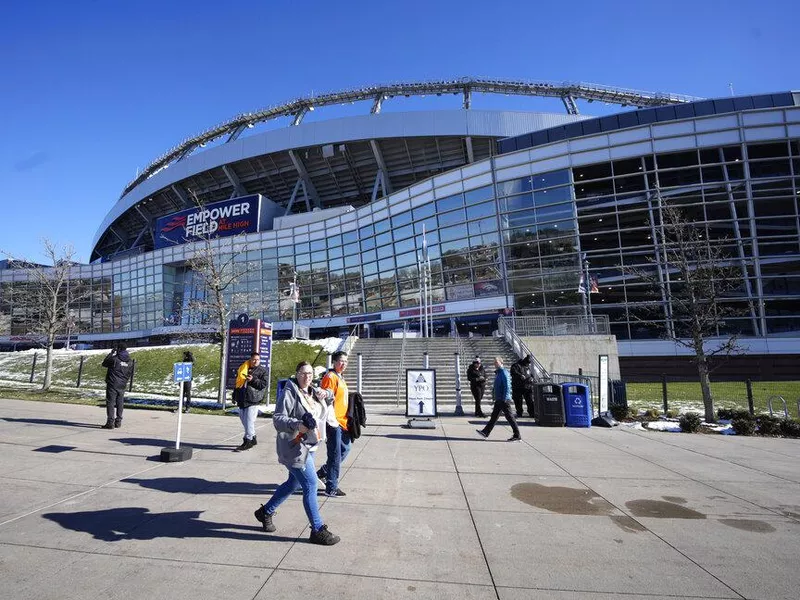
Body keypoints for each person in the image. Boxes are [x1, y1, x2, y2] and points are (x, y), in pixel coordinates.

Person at [254, 361, 340, 546]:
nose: (306, 377)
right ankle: (317, 529)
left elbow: (331, 398)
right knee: (310, 484)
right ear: (296, 373)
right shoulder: (290, 391)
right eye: (303, 373)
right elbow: (278, 419)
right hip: (295, 447)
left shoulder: (313, 391)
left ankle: (265, 512)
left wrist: (327, 393)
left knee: (293, 483)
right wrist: (297, 424)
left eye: (309, 373)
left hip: (311, 446)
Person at [316, 351, 350, 497]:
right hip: (333, 421)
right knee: (335, 454)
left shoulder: (340, 377)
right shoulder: (330, 376)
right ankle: (331, 486)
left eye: (346, 361)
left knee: (345, 449)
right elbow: (327, 393)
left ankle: (325, 471)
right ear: (334, 362)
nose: (343, 364)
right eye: (341, 361)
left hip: (342, 421)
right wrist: (326, 393)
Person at [476, 356, 521, 441]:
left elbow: (507, 386)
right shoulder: (498, 373)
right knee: (494, 417)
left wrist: (505, 398)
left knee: (510, 417)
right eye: (494, 362)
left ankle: (517, 435)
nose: (495, 363)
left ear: (501, 362)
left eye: (496, 362)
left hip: (504, 399)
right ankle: (485, 432)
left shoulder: (504, 372)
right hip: (499, 399)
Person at [233, 352, 268, 452]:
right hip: (242, 398)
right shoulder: (243, 368)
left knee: (249, 422)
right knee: (244, 421)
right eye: (254, 359)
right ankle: (252, 438)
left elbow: (263, 384)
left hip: (253, 399)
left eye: (257, 360)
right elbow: (238, 383)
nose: (255, 361)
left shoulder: (262, 371)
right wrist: (235, 395)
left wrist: (253, 379)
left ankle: (248, 441)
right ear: (250, 359)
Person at [101, 344, 133, 429]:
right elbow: (130, 373)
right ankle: (118, 421)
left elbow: (104, 363)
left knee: (110, 402)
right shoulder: (129, 361)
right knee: (120, 402)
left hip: (112, 383)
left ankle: (110, 422)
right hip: (122, 384)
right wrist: (125, 380)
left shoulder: (115, 359)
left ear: (118, 349)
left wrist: (111, 353)